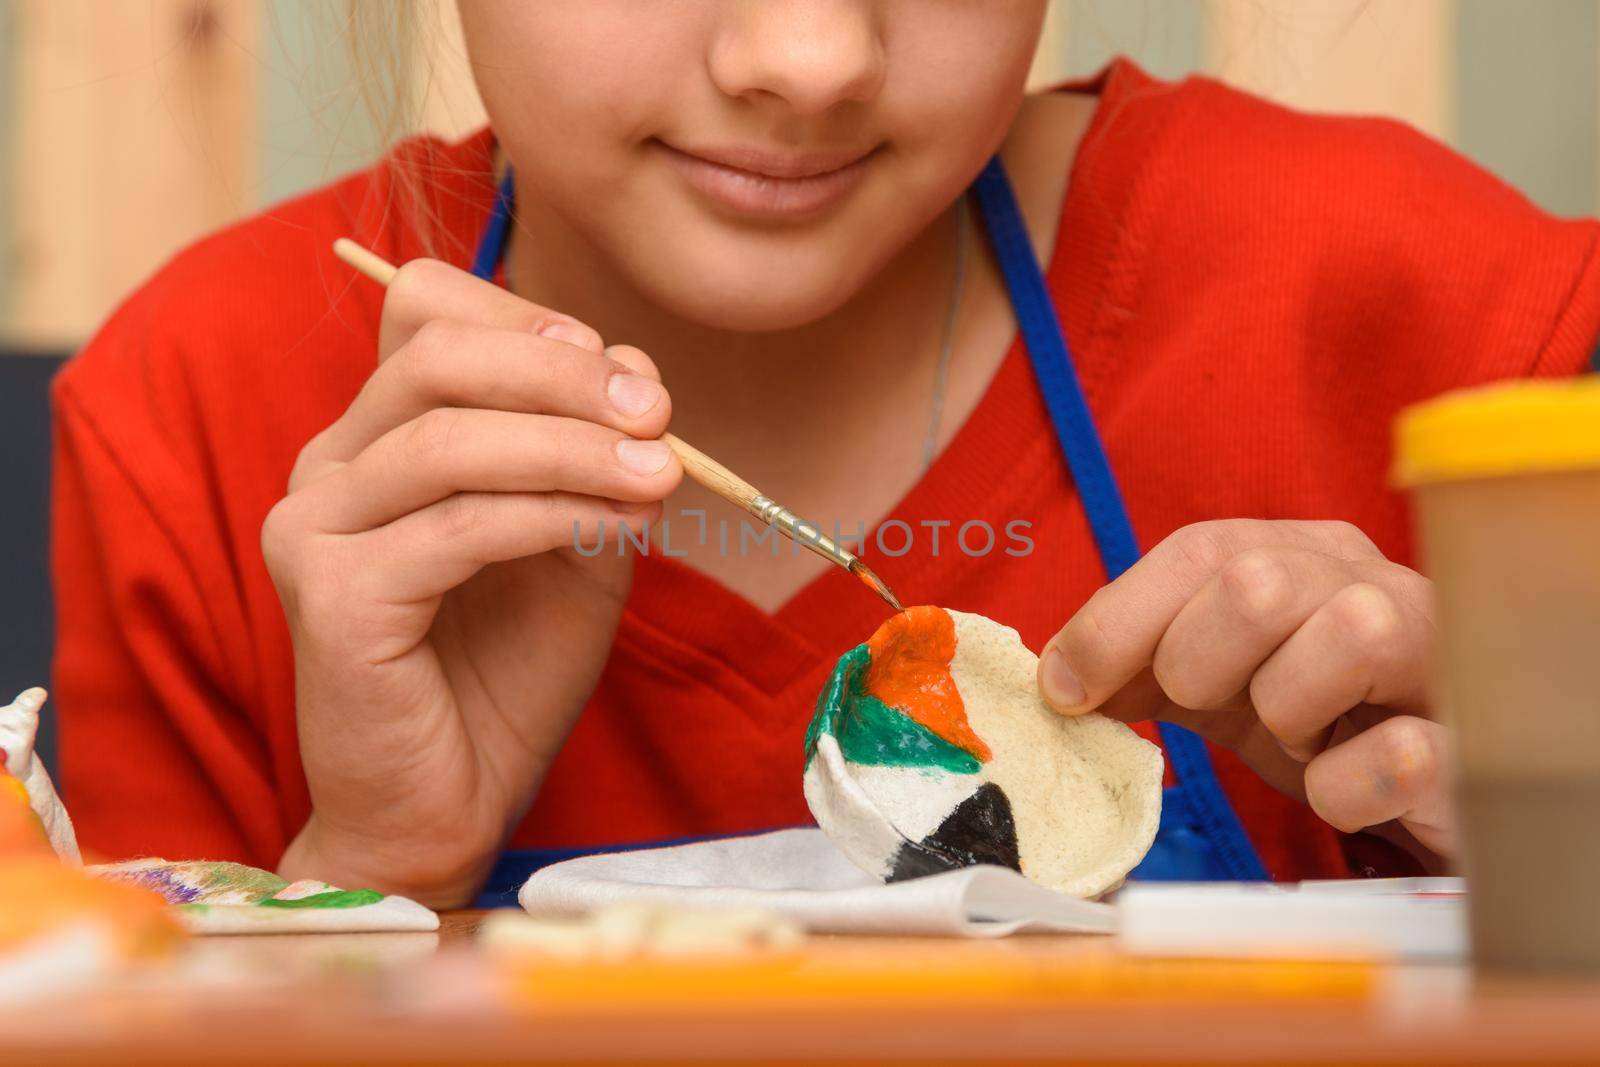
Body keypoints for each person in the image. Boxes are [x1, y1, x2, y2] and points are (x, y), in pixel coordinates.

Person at [50, 2, 1600, 908]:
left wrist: (1552, 841)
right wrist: (376, 872)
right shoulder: (202, 412)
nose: (809, 56)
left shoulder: (1441, 320)